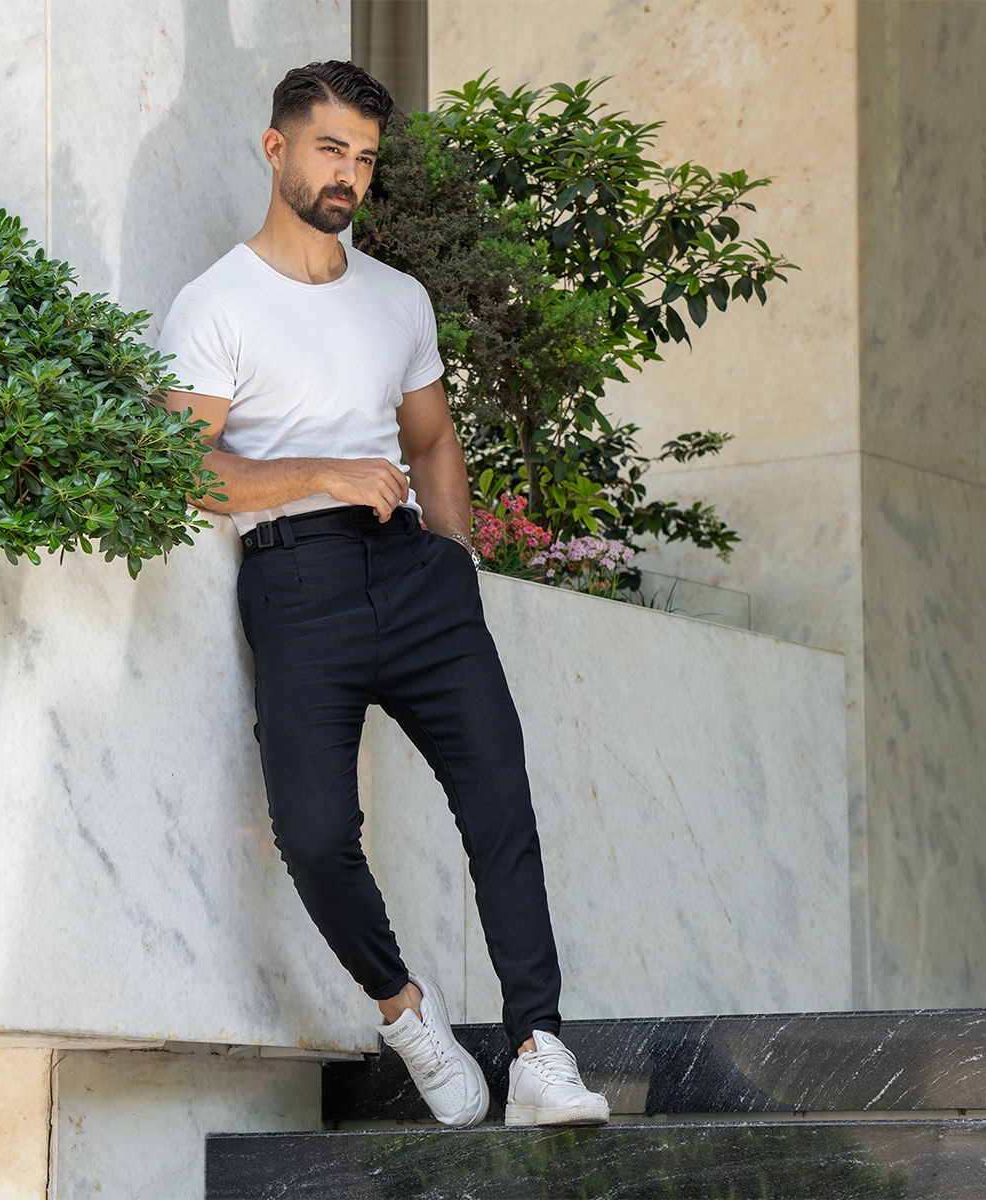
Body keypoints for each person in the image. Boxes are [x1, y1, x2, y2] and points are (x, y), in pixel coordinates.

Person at [157, 59, 607, 1129]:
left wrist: (455, 563)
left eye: (363, 158)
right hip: (297, 580)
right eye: (330, 150)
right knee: (314, 832)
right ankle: (407, 1014)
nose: (348, 175)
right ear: (276, 148)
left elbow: (431, 435)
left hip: (416, 578)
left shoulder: (398, 297)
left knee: (500, 801)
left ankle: (539, 1050)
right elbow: (182, 468)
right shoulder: (216, 304)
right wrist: (322, 472)